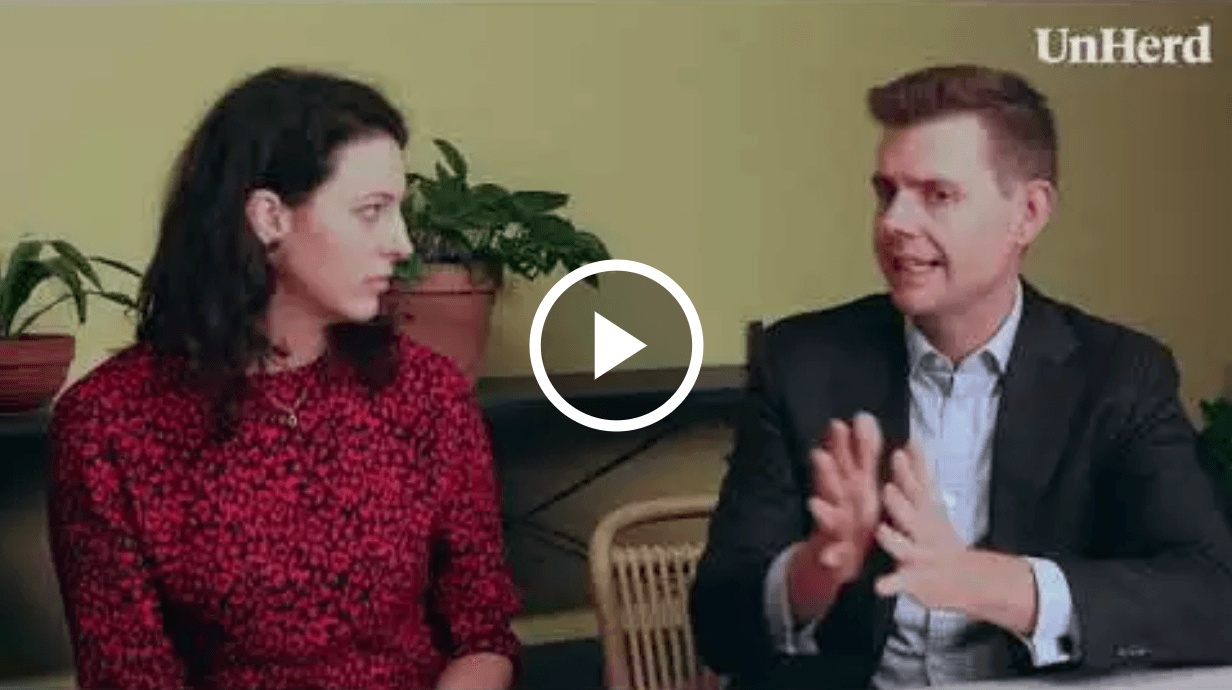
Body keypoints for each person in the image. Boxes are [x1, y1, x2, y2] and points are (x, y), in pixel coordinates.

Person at [689, 64, 1232, 690]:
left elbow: (1214, 595)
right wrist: (816, 569)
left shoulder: (1120, 375)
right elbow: (718, 627)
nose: (894, 222)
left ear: (1028, 212)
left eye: (937, 195)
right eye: (886, 192)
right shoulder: (799, 361)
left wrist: (988, 582)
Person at [47, 66, 522, 690]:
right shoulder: (108, 424)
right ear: (269, 217)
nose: (403, 244)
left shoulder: (427, 391)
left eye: (398, 211)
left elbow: (483, 633)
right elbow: (128, 675)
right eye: (372, 212)